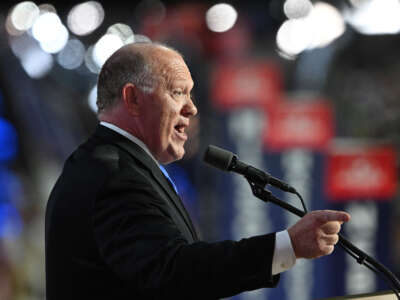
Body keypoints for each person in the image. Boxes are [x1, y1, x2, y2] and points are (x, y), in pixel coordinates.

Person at [45, 42, 350, 300]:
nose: (192, 108)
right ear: (133, 99)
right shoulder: (114, 174)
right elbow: (172, 270)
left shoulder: (112, 164)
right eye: (178, 92)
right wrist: (288, 246)